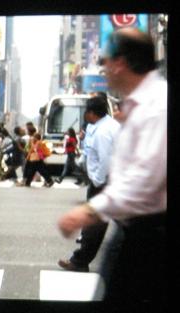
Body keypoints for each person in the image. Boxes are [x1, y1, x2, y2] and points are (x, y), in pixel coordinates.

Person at [58, 27, 166, 304]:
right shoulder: (140, 104)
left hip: (152, 234)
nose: (102, 68)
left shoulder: (157, 106)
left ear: (120, 63)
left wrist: (89, 211)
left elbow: (146, 179)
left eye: (105, 60)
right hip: (133, 229)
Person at [58, 96, 120, 272]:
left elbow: (105, 160)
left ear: (92, 113)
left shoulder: (103, 131)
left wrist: (98, 182)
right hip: (106, 181)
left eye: (86, 111)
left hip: (103, 182)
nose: (85, 115)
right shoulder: (100, 126)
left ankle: (80, 261)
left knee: (94, 224)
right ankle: (80, 260)